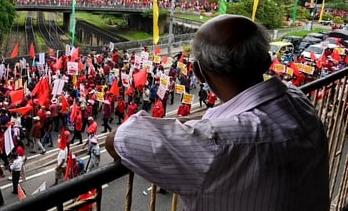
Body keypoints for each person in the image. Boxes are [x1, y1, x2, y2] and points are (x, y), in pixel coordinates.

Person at [106, 15, 330, 211]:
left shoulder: (215, 144)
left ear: (199, 73)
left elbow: (119, 139)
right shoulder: (299, 101)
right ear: (266, 61)